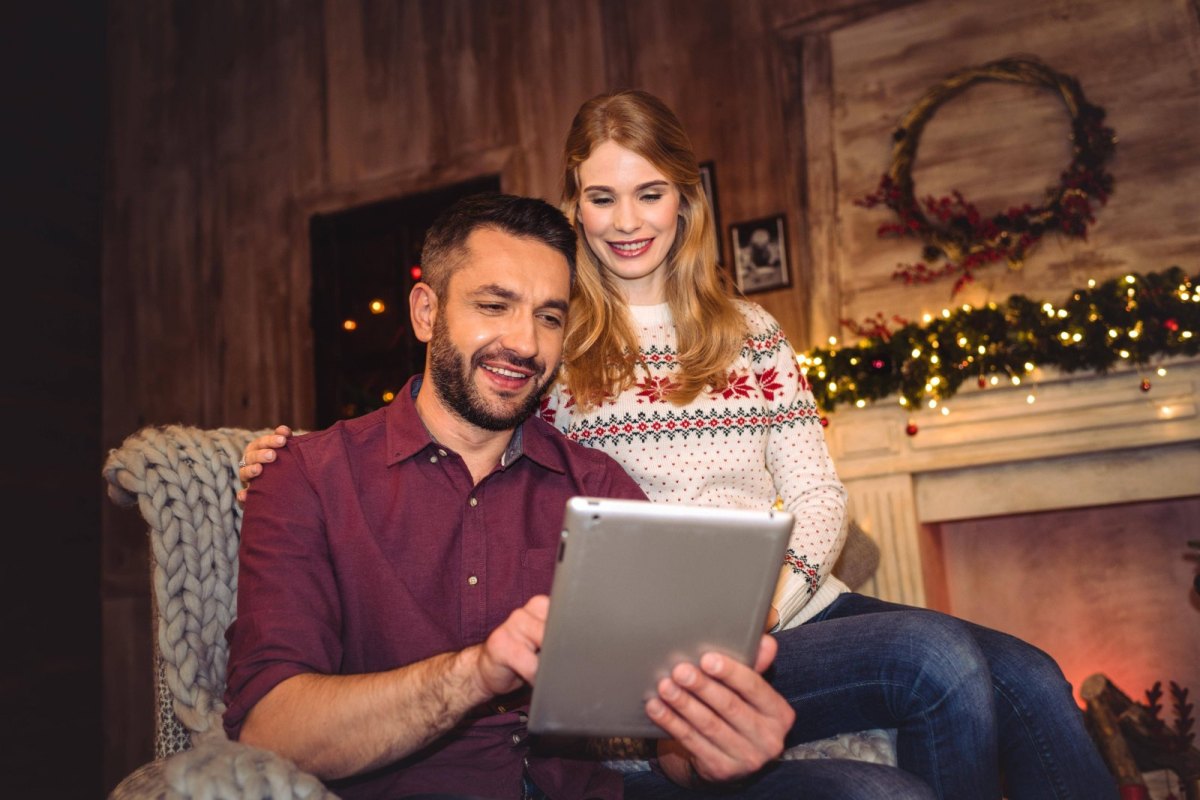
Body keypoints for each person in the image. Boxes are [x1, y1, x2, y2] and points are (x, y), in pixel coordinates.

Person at [240, 91, 1117, 800]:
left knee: (1032, 674)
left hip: (791, 604)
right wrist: (293, 451)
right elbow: (462, 416)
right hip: (671, 639)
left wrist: (765, 605)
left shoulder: (751, 328)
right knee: (937, 662)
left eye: (649, 192)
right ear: (573, 207)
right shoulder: (562, 336)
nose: (628, 219)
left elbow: (818, 496)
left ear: (684, 198)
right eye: (601, 196)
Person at [225, 191, 937, 800]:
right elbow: (272, 730)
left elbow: (665, 740)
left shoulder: (598, 487)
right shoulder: (307, 477)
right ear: (424, 311)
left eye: (549, 316)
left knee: (882, 792)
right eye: (494, 305)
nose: (524, 343)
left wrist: (712, 748)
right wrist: (476, 673)